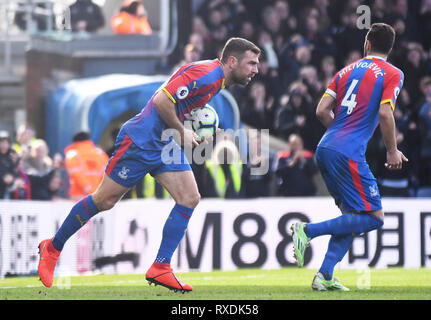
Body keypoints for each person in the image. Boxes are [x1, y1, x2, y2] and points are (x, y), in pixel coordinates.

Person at [37, 37, 260, 292]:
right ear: (232, 61)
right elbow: (161, 101)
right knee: (104, 201)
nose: (256, 69)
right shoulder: (207, 74)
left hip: (163, 143)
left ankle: (161, 267)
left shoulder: (216, 81)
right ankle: (52, 248)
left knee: (189, 197)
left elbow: (180, 103)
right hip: (141, 139)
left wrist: (197, 124)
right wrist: (182, 131)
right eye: (251, 63)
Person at [290, 23, 408, 291]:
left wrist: (338, 135)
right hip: (348, 152)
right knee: (374, 217)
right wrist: (392, 150)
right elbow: (386, 113)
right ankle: (307, 231)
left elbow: (321, 110)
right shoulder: (393, 73)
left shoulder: (345, 71)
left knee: (352, 216)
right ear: (390, 47)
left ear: (366, 45)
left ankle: (325, 275)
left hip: (326, 147)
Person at [64, 132, 109, 201]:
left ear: (75, 142)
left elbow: (77, 176)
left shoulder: (73, 154)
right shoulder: (100, 154)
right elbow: (107, 175)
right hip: (99, 197)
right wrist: (97, 192)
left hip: (78, 198)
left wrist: (89, 190)